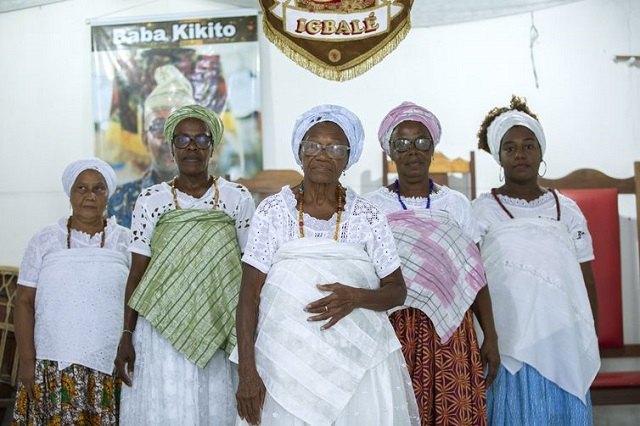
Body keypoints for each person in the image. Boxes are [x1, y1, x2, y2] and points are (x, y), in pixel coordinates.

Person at [233, 104, 420, 426]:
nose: (322, 155)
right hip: (284, 361)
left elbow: (397, 291)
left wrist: (356, 297)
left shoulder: (368, 215)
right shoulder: (272, 211)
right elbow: (248, 297)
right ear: (299, 152)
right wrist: (247, 371)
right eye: (312, 146)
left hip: (356, 363)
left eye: (334, 148)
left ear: (348, 158)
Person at [115, 104, 255, 425]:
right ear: (172, 148)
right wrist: (126, 335)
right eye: (182, 140)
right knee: (166, 409)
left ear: (212, 147)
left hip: (218, 325)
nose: (192, 147)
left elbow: (251, 271)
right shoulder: (151, 199)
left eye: (201, 139)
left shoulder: (238, 198)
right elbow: (137, 273)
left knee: (213, 411)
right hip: (159, 331)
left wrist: (251, 336)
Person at [365, 101, 500, 425]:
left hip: (450, 330)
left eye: (422, 142)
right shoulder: (372, 206)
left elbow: (475, 276)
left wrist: (490, 337)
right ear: (390, 151)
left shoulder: (454, 204)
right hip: (393, 328)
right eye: (403, 143)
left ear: (433, 148)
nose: (413, 150)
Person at [472, 95, 600, 424]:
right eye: (510, 147)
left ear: (541, 151)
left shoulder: (566, 210)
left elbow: (586, 281)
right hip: (507, 343)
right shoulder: (481, 211)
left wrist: (587, 335)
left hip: (562, 340)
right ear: (498, 156)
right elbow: (474, 281)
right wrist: (488, 337)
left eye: (529, 146)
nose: (520, 154)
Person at [13, 158, 130, 425]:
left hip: (110, 368)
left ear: (108, 195)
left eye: (98, 188)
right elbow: (23, 302)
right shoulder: (44, 240)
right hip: (51, 368)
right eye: (82, 188)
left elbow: (137, 303)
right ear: (70, 193)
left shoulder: (125, 240)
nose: (90, 196)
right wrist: (27, 361)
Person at [107, 64, 195, 228]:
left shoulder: (216, 196)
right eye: (158, 128)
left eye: (179, 131)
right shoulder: (120, 200)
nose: (169, 140)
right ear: (145, 139)